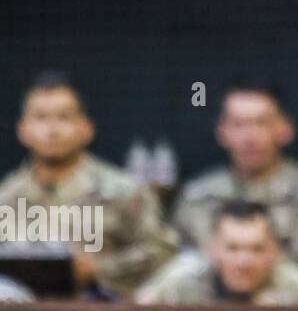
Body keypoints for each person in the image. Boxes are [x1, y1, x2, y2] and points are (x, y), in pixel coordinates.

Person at [0, 72, 177, 298]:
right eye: (41, 118)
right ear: (23, 130)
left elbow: (163, 251)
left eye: (64, 117)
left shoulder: (123, 192)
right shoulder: (6, 197)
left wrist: (97, 269)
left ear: (86, 128)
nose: (52, 129)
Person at [171, 80, 298, 270]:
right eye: (239, 124)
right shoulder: (197, 197)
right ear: (222, 132)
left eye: (262, 123)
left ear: (285, 129)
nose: (250, 137)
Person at [137, 200, 298, 305]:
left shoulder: (296, 289)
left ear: (275, 251)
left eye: (257, 249)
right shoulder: (180, 281)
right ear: (212, 249)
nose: (244, 262)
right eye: (232, 248)